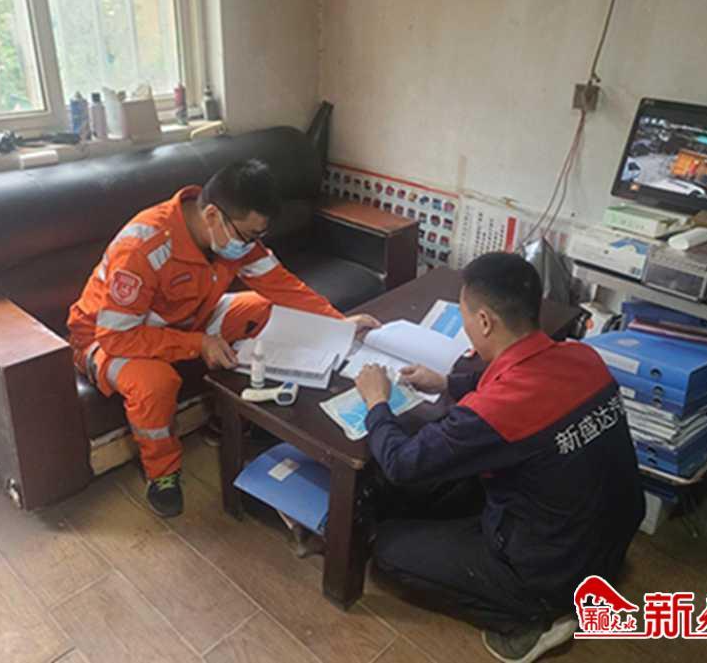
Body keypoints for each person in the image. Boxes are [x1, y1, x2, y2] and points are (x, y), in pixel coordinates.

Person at [354, 252, 644, 663]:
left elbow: (403, 464)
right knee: (455, 484)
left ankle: (535, 617)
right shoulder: (583, 357)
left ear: (485, 321)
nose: (467, 327)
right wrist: (448, 382)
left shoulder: (496, 412)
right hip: (609, 537)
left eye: (465, 316)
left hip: (553, 569)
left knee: (390, 550)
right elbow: (518, 379)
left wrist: (376, 402)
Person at [68, 159, 378, 517]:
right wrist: (197, 344)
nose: (251, 245)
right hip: (106, 337)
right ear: (212, 215)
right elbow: (117, 336)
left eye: (259, 236)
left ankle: (228, 418)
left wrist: (339, 324)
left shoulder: (234, 236)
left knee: (263, 309)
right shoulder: (143, 247)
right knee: (155, 383)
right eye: (248, 236)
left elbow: (283, 287)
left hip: (187, 319)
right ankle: (162, 474)